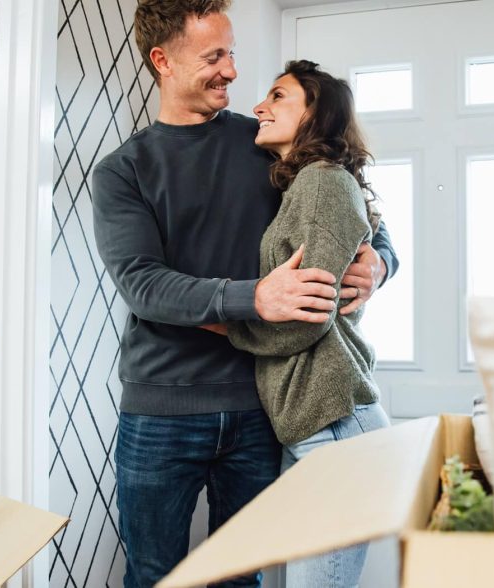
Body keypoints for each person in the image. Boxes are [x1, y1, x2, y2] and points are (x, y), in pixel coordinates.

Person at [90, 2, 399, 587]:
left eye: (230, 53)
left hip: (261, 405)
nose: (232, 71)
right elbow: (142, 284)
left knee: (242, 577)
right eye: (214, 56)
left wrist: (380, 262)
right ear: (163, 61)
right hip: (160, 410)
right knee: (154, 574)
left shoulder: (263, 143)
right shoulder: (122, 172)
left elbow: (356, 202)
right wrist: (254, 299)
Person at [202, 59, 391, 588]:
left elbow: (308, 315)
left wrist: (218, 321)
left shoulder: (324, 184)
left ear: (317, 114)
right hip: (315, 427)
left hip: (335, 426)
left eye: (279, 96)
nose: (259, 106)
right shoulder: (305, 185)